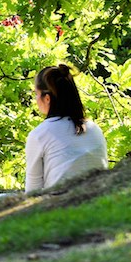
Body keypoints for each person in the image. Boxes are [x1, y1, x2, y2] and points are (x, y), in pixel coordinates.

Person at [25, 63, 108, 193]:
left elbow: (32, 191)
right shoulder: (94, 129)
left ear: (47, 98)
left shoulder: (40, 135)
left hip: (60, 206)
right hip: (99, 202)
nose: (35, 99)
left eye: (36, 93)